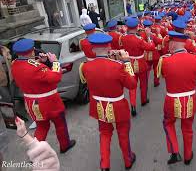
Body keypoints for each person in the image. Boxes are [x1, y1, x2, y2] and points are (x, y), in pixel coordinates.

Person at [79, 33, 137, 171]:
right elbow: (132, 84)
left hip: (99, 105)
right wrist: (127, 62)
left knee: (104, 134)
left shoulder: (86, 66)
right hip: (118, 105)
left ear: (92, 49)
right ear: (109, 46)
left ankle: (104, 164)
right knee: (123, 133)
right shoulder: (117, 66)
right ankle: (128, 160)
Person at [11, 39, 76, 154]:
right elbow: (56, 77)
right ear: (32, 51)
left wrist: (42, 62)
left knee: (41, 127)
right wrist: (55, 62)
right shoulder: (36, 67)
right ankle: (64, 145)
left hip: (32, 103)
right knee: (60, 124)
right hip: (50, 102)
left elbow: (30, 69)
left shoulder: (15, 64)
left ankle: (37, 152)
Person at [157, 30, 196, 165]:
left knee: (168, 123)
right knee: (187, 127)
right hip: (189, 99)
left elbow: (161, 75)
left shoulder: (165, 61)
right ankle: (188, 155)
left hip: (172, 100)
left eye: (169, 43)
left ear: (172, 44)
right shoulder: (195, 58)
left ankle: (175, 151)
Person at [119, 18, 155, 116]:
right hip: (141, 63)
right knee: (143, 83)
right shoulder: (139, 39)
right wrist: (148, 37)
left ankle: (133, 105)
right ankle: (143, 100)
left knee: (132, 85)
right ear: (136, 27)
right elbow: (151, 47)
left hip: (129, 63)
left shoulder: (123, 38)